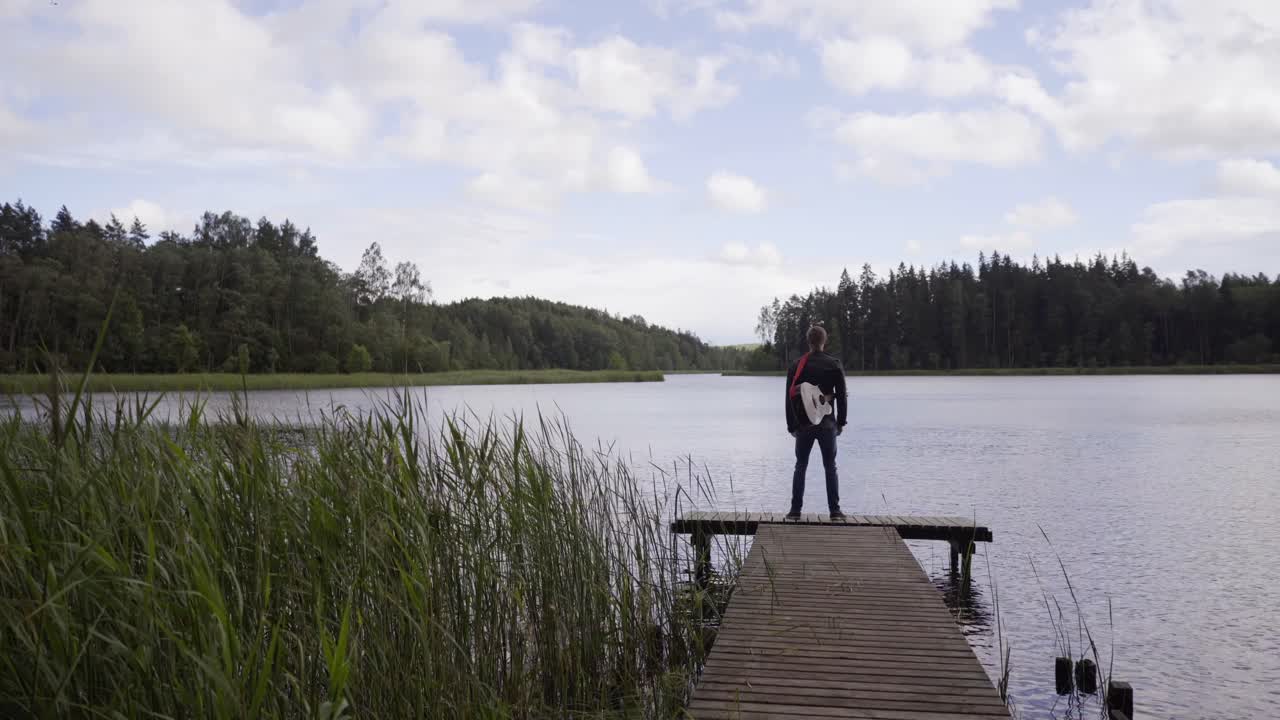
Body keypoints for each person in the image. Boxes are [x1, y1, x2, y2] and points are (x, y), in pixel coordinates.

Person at [784, 325, 847, 520]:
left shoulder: (797, 365)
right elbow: (842, 397)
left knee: (800, 466)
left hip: (804, 425)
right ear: (824, 341)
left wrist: (791, 426)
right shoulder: (834, 364)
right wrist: (841, 422)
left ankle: (795, 512)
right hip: (827, 424)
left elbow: (788, 398)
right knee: (830, 467)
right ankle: (835, 512)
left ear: (808, 341)